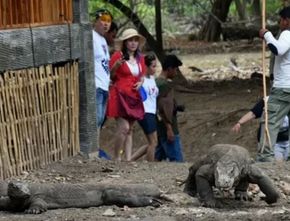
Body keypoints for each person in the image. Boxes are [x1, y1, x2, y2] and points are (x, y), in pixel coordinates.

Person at [107, 28, 146, 161]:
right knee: (124, 127)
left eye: (135, 40)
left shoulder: (140, 58)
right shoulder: (118, 56)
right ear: (125, 42)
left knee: (130, 129)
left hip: (133, 96)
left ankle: (128, 160)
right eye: (130, 40)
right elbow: (111, 76)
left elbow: (142, 75)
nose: (133, 43)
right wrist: (116, 66)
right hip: (119, 95)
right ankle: (116, 157)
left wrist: (141, 82)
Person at [258, 6, 290, 161]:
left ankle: (266, 158)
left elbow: (279, 49)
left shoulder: (287, 33)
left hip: (284, 87)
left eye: (281, 20)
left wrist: (267, 34)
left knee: (270, 121)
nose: (280, 23)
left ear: (286, 20)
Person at [231, 97, 289, 161]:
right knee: (276, 163)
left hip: (287, 140)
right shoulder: (267, 101)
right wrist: (240, 123)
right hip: (271, 142)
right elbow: (253, 113)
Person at [155, 54, 184, 162]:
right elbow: (163, 108)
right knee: (177, 161)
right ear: (170, 68)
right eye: (175, 69)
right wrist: (169, 128)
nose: (176, 73)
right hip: (168, 129)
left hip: (159, 128)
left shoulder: (155, 83)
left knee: (156, 159)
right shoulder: (164, 85)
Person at [130, 53, 159, 161]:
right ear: (146, 66)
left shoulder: (152, 78)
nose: (155, 69)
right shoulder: (141, 80)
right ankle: (150, 165)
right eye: (153, 66)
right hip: (145, 112)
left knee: (152, 142)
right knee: (153, 142)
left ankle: (130, 159)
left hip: (152, 112)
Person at [92, 8, 112, 150]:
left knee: (101, 119)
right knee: (96, 118)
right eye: (103, 20)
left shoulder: (104, 40)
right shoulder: (90, 36)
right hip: (96, 84)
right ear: (96, 21)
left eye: (108, 21)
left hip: (105, 85)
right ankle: (92, 149)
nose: (106, 24)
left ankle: (96, 148)